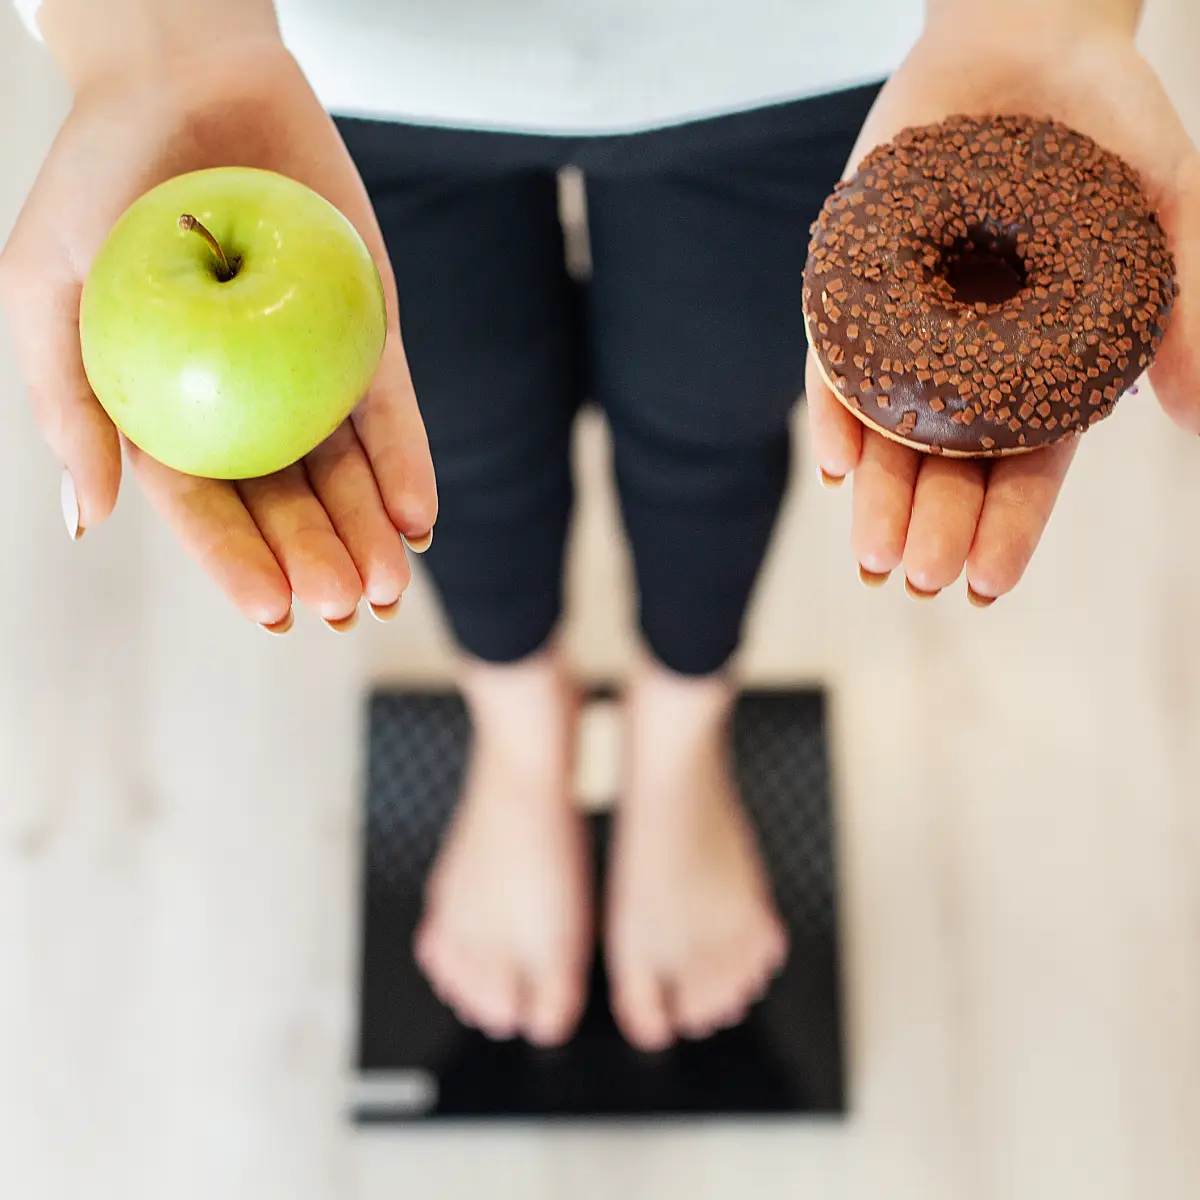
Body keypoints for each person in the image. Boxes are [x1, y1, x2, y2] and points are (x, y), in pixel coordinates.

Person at [3, 0, 1197, 1052]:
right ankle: (522, 736)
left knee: (712, 414)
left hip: (793, 47)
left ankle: (679, 741)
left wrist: (1035, 22)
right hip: (325, 55)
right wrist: (161, 44)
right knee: (444, 431)